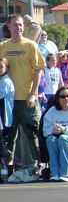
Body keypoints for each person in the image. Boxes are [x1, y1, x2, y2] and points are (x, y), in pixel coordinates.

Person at [0, 15, 45, 178]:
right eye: (15, 25)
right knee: (8, 136)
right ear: (9, 27)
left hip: (27, 99)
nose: (18, 28)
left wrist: (33, 94)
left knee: (33, 134)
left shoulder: (30, 45)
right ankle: (7, 168)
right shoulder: (2, 46)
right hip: (8, 102)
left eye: (20, 25)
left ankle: (39, 165)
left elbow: (38, 70)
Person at [0, 58, 15, 168]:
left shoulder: (5, 81)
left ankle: (7, 171)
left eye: (1, 67)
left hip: (5, 119)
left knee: (5, 147)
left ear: (6, 68)